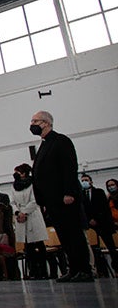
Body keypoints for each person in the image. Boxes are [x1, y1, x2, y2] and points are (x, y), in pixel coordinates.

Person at [31, 110, 93, 282]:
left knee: (74, 234)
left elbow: (69, 168)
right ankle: (73, 268)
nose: (32, 124)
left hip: (65, 198)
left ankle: (84, 269)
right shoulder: (44, 144)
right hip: (52, 201)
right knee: (64, 236)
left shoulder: (61, 141)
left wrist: (69, 192)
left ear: (46, 123)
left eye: (35, 121)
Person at [10, 163, 48, 279]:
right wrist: (17, 212)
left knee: (38, 244)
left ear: (24, 173)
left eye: (18, 172)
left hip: (32, 214)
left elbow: (34, 200)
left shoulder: (32, 184)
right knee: (28, 246)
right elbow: (13, 202)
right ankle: (33, 271)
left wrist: (24, 212)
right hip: (21, 216)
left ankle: (42, 271)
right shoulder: (14, 186)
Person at [81, 173, 117, 275]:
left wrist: (96, 219)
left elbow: (104, 208)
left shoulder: (99, 192)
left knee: (111, 247)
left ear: (91, 181)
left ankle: (116, 269)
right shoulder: (81, 195)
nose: (84, 182)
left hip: (102, 224)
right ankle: (101, 271)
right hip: (90, 225)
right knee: (95, 250)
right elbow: (83, 210)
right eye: (82, 180)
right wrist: (89, 220)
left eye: (86, 180)